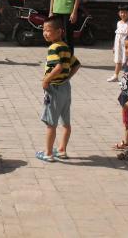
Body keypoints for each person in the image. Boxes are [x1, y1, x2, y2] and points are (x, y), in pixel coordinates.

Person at [36, 16, 81, 162]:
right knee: (65, 123)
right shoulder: (65, 47)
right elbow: (76, 64)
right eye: (44, 30)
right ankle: (62, 150)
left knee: (51, 123)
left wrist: (46, 80)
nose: (45, 33)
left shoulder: (53, 48)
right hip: (65, 89)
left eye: (48, 31)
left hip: (54, 89)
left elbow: (59, 66)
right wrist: (67, 78)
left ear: (59, 32)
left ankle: (48, 153)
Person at [108, 5, 128, 82]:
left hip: (126, 46)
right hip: (118, 45)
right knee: (118, 60)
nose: (123, 14)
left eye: (125, 13)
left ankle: (127, 78)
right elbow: (117, 36)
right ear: (119, 13)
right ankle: (115, 76)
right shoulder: (118, 23)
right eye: (121, 12)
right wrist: (114, 46)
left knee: (126, 62)